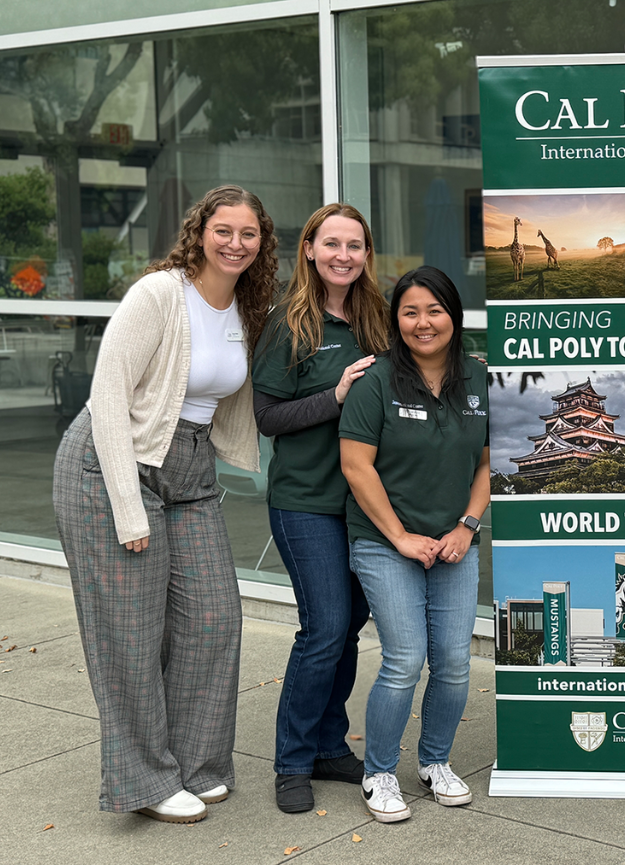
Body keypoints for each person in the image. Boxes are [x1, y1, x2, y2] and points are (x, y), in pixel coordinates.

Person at [52, 186, 277, 823]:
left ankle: (198, 763)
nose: (235, 243)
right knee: (129, 634)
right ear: (199, 231)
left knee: (213, 618)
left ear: (263, 243)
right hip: (110, 465)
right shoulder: (160, 293)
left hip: (190, 469)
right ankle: (145, 781)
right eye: (223, 230)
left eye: (249, 234)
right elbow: (110, 395)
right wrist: (127, 507)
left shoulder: (245, 306)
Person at [252, 203, 390, 813]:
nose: (343, 255)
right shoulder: (290, 322)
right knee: (326, 627)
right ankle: (292, 761)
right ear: (309, 249)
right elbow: (267, 417)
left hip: (366, 504)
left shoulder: (378, 322)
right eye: (330, 243)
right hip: (306, 501)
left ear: (366, 255)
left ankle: (330, 745)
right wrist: (334, 396)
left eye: (354, 245)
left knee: (349, 628)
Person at [339, 266, 489, 823]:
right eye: (410, 312)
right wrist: (400, 537)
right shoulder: (375, 380)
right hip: (385, 541)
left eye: (434, 310)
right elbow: (356, 466)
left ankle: (434, 762)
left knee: (453, 662)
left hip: (454, 541)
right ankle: (378, 772)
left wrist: (465, 527)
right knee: (405, 659)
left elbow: (487, 463)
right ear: (395, 319)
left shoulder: (478, 380)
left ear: (453, 315)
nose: (423, 323)